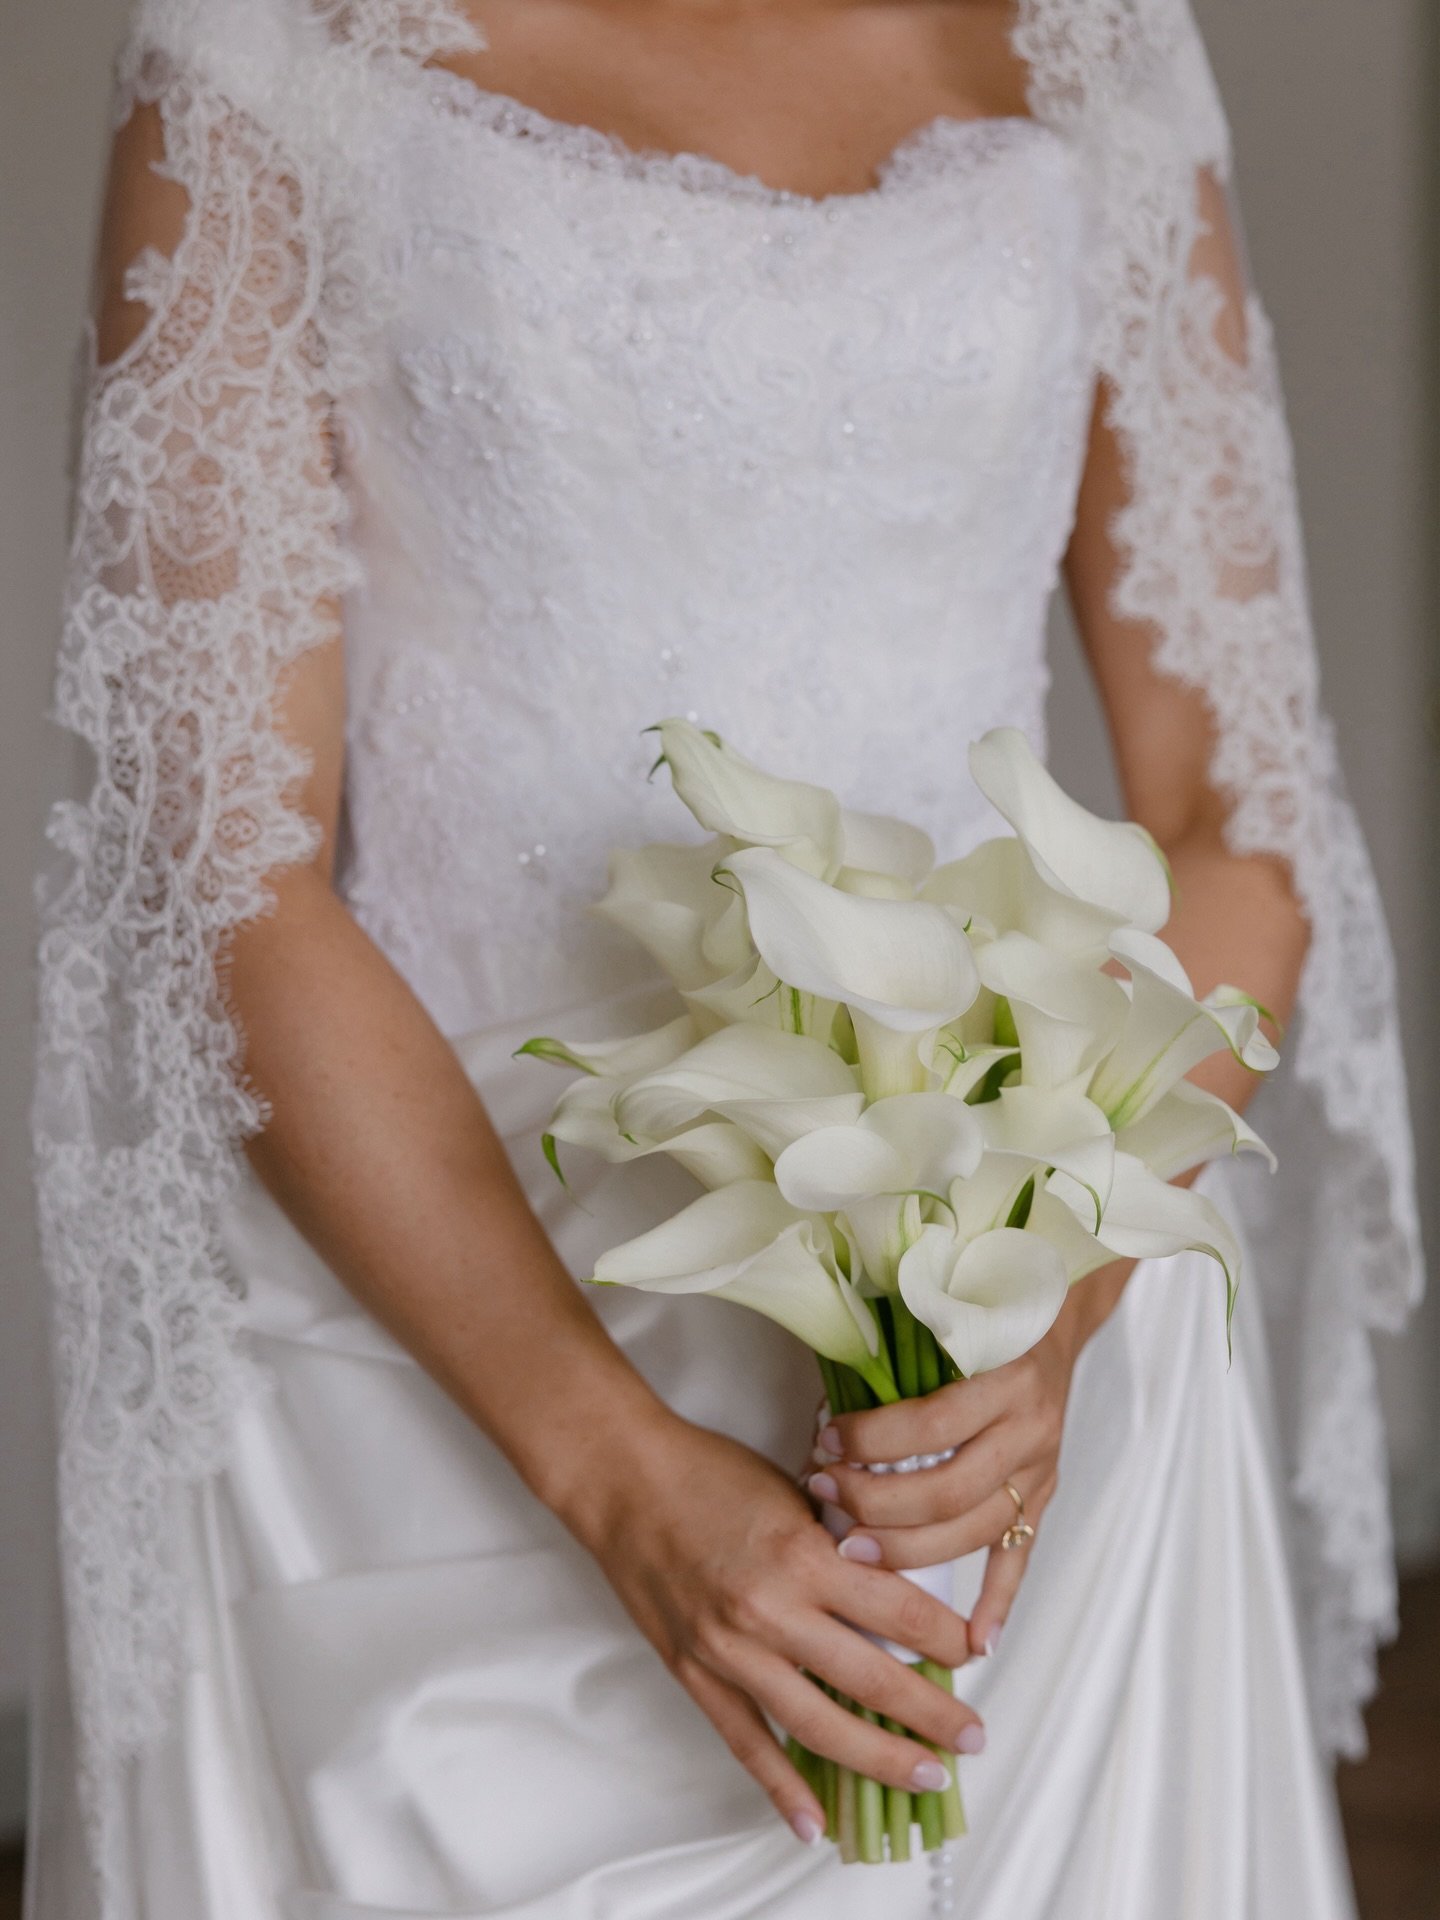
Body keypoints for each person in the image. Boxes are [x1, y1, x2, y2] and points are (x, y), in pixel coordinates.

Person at [28, 1, 1423, 1915]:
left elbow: (1240, 813)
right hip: (460, 1320)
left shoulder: (1097, 48)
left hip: (1014, 1355)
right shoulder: (276, 45)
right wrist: (616, 1476)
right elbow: (222, 871)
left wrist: (1062, 1292)